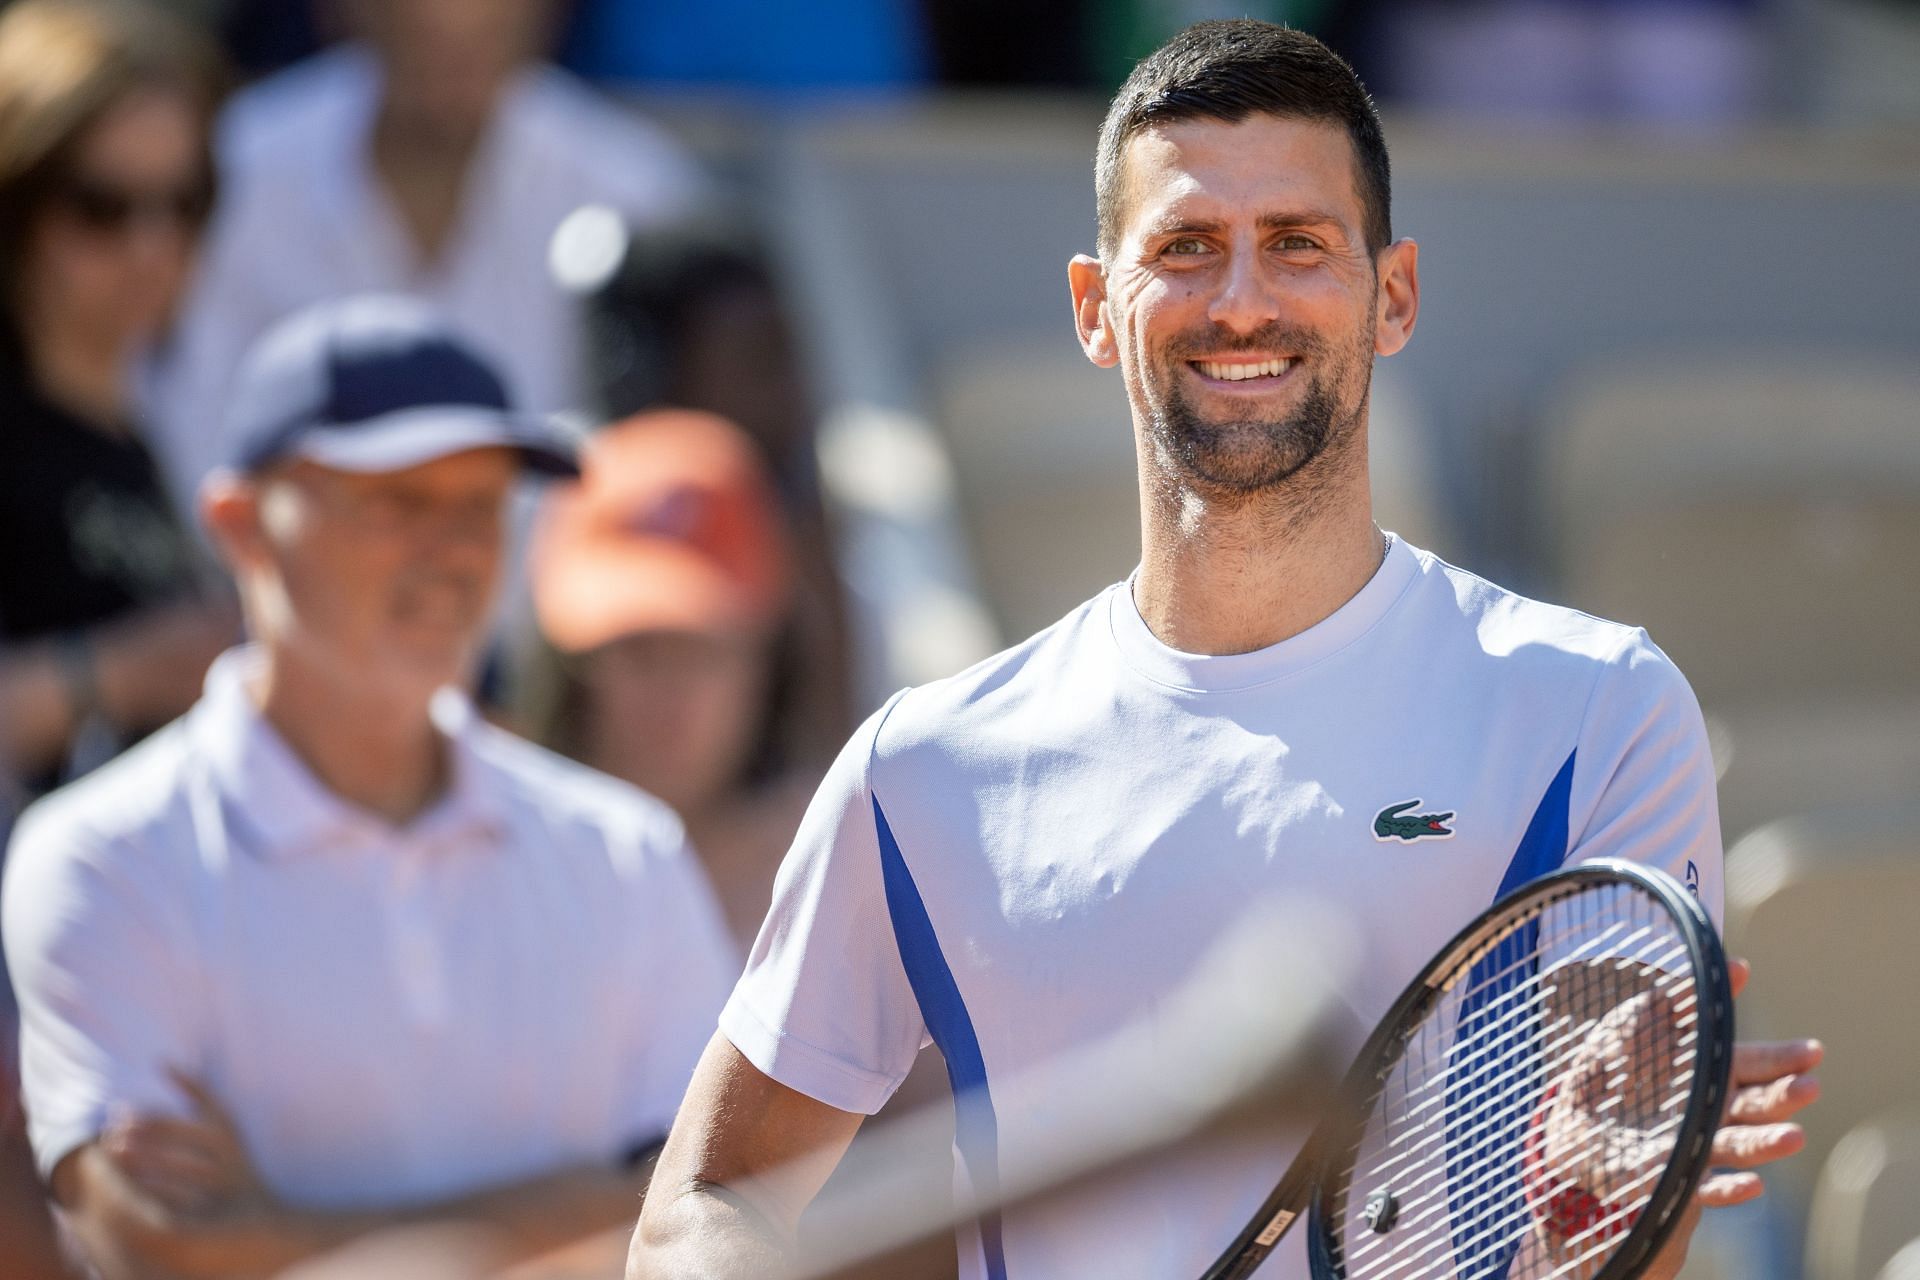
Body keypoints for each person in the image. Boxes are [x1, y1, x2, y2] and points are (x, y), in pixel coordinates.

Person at [627, 21, 1822, 1280]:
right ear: (1098, 308)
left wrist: (1601, 1179)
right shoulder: (919, 767)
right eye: (1188, 248)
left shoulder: (1598, 708)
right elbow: (698, 1204)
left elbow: (1622, 1214)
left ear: (1394, 293)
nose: (1242, 299)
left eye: (1296, 244)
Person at [3, 296, 738, 1280]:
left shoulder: (626, 850)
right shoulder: (101, 855)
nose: (454, 553)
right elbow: (157, 1247)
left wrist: (274, 1228)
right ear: (240, 526)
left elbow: (717, 1219)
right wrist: (599, 1210)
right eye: (398, 501)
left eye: (480, 505)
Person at [142, 0, 708, 508]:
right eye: (425, 34)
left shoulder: (640, 193)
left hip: (565, 615)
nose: (454, 59)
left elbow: (658, 463)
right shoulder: (233, 169)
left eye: (486, 32)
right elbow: (188, 423)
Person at [0, 0, 234, 804]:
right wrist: (125, 671)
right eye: (101, 206)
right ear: (17, 205)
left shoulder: (150, 429)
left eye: (184, 203)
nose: (151, 247)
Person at [525, 409, 812, 949]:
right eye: (638, 650)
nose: (671, 692)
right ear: (574, 669)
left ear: (766, 659)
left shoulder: (849, 875)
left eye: (703, 651)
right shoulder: (488, 859)